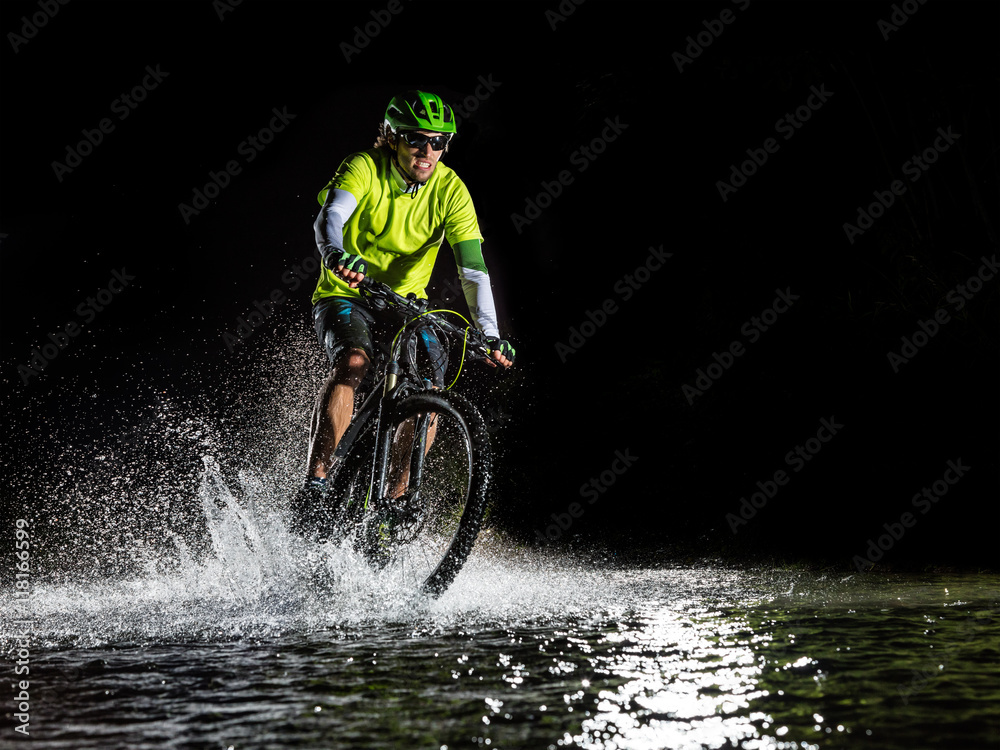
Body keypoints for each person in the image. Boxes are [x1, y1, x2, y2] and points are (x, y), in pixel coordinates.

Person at [292, 89, 515, 536]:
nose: (427, 151)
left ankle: (392, 506)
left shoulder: (451, 191)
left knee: (429, 393)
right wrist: (335, 253)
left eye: (439, 142)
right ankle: (316, 484)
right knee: (354, 361)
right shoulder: (363, 167)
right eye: (417, 139)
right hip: (346, 291)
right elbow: (330, 215)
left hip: (406, 304)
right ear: (392, 137)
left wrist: (490, 334)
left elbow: (473, 270)